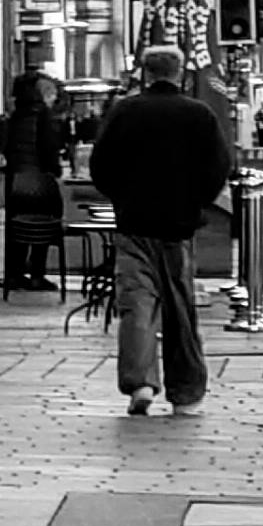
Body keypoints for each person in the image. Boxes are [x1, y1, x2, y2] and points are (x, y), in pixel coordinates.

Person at [87, 38, 231, 418]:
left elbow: (100, 167)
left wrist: (122, 196)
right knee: (180, 306)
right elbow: (219, 166)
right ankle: (185, 392)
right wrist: (196, 201)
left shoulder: (124, 112)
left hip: (134, 224)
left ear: (146, 74)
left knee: (138, 303)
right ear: (179, 73)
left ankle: (141, 382)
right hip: (178, 225)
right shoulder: (200, 115)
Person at [0, 65, 67, 293]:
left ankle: (15, 274)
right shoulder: (44, 115)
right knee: (44, 223)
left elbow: (5, 147)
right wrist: (55, 171)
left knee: (17, 228)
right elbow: (49, 147)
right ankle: (37, 274)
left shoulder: (14, 116)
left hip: (15, 180)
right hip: (38, 180)